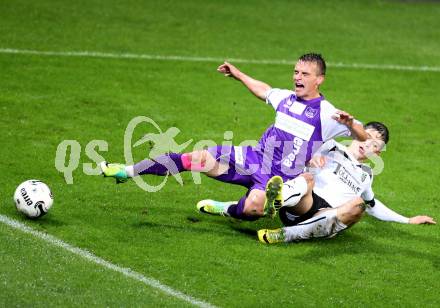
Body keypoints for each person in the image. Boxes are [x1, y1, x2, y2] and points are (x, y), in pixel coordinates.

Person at [100, 53, 367, 221]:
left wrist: (352, 124)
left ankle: (227, 208)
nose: (297, 77)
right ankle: (127, 171)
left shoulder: (326, 113)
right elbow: (264, 90)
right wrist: (238, 75)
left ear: (319, 79)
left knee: (252, 209)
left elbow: (364, 137)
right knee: (196, 158)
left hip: (281, 178)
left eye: (304, 74)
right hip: (253, 157)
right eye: (296, 72)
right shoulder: (286, 98)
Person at [257, 122, 436, 244]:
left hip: (327, 218)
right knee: (308, 178)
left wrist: (408, 220)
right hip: (304, 203)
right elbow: (294, 154)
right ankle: (275, 202)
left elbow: (372, 205)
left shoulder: (367, 175)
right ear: (358, 133)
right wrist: (311, 157)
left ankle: (284, 235)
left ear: (377, 153)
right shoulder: (331, 145)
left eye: (375, 145)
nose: (368, 145)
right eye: (368, 137)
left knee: (359, 205)